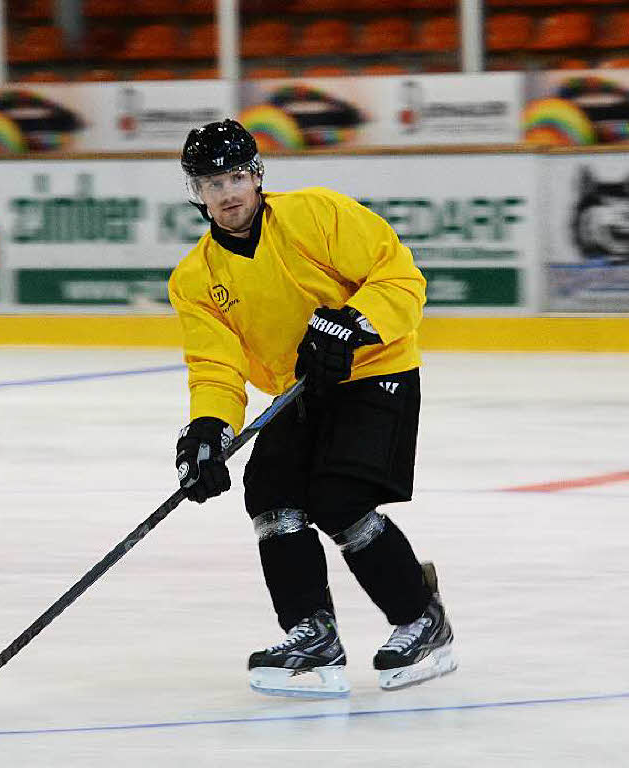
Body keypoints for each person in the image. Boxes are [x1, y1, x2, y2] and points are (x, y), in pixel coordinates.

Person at [169, 119, 456, 696]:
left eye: (234, 177)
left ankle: (421, 619)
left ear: (256, 176)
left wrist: (353, 322)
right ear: (195, 193)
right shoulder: (194, 279)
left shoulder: (316, 214)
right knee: (270, 493)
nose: (226, 193)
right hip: (300, 390)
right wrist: (207, 428)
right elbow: (216, 367)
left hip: (377, 369)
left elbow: (400, 276)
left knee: (339, 498)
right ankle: (312, 634)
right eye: (210, 182)